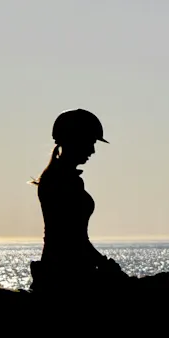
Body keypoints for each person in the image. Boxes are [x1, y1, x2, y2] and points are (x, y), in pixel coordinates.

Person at [29, 109, 129, 297]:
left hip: (69, 267)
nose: (92, 150)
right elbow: (72, 237)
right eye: (90, 142)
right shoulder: (62, 180)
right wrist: (104, 263)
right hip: (67, 274)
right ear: (74, 140)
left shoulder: (62, 177)